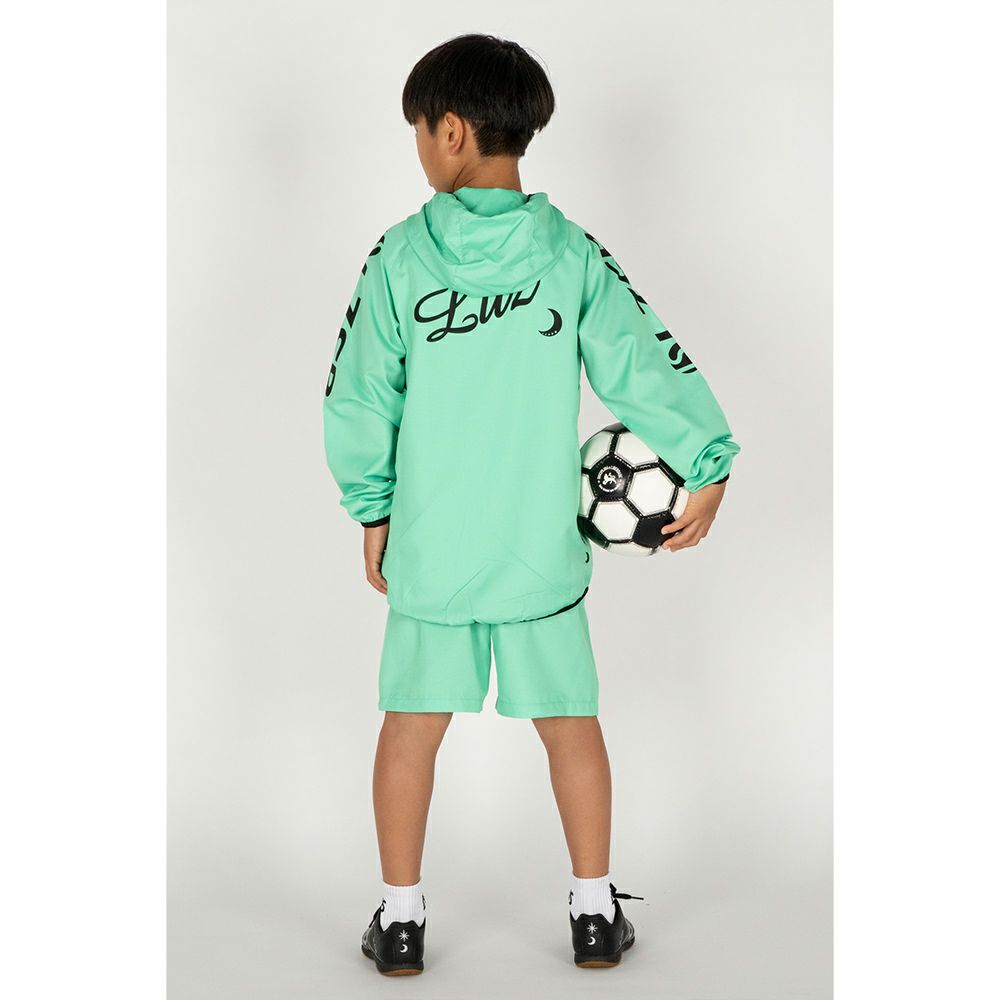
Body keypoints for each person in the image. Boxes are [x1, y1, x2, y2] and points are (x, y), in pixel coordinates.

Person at [323, 33, 740, 976]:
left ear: (452, 131)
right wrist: (706, 458)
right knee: (571, 724)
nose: (419, 149)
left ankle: (400, 922)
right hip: (538, 551)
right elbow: (642, 358)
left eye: (419, 131)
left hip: (433, 547)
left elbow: (358, 395)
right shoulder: (570, 254)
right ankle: (593, 914)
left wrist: (373, 509)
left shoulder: (399, 258)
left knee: (410, 728)